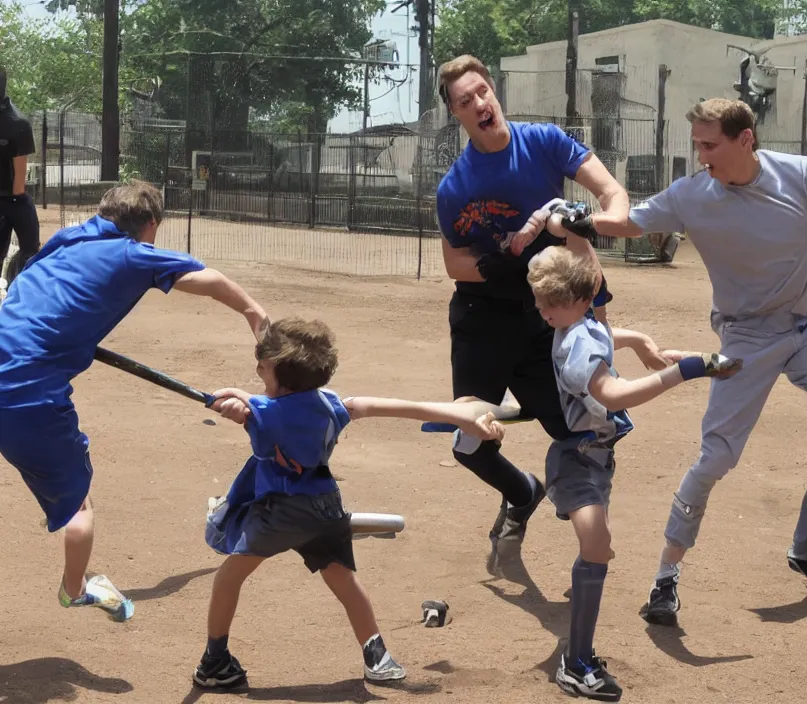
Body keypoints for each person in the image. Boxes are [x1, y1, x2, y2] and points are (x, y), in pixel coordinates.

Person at [571, 98, 807, 625]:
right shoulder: (691, 195)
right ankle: (665, 576)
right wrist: (580, 221)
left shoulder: (801, 176)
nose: (700, 155)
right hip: (748, 336)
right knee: (716, 457)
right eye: (697, 144)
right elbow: (629, 223)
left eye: (710, 145)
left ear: (745, 139)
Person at [0, 180, 269, 623]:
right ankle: (74, 589)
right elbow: (211, 280)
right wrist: (254, 313)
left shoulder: (69, 236)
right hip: (29, 396)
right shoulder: (134, 253)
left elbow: (28, 276)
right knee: (79, 508)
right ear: (151, 225)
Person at [195, 317, 508, 689]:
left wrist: (236, 406)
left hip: (280, 513)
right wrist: (465, 419)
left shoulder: (266, 414)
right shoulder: (332, 404)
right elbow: (407, 407)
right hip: (324, 508)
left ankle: (215, 660)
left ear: (279, 372)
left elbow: (256, 409)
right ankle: (378, 657)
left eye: (262, 366)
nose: (256, 368)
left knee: (229, 576)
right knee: (343, 579)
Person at [434, 54, 664, 549]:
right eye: (464, 101)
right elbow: (455, 264)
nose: (478, 104)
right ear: (455, 113)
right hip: (483, 318)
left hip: (547, 317)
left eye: (481, 92)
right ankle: (523, 492)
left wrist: (582, 230)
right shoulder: (454, 186)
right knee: (470, 444)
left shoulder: (544, 141)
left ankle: (581, 494)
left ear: (494, 91)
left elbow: (613, 195)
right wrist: (506, 265)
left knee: (579, 428)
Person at [525, 246, 742, 700]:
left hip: (598, 461)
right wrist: (685, 371)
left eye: (550, 301)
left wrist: (641, 341)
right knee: (596, 545)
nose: (541, 310)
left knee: (597, 550)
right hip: (574, 460)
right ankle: (577, 662)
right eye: (540, 301)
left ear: (582, 300)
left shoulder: (584, 326)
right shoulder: (572, 337)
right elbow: (614, 395)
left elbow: (605, 332)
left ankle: (578, 649)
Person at [0, 67, 40, 286]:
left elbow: (18, 187)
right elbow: (18, 185)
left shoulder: (17, 124)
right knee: (30, 250)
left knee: (28, 251)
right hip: (13, 197)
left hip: (11, 198)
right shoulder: (19, 123)